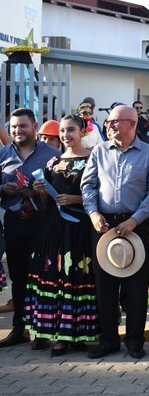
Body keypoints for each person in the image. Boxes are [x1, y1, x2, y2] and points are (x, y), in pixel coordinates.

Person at [81, 105, 149, 359]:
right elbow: (88, 185)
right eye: (109, 122)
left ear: (132, 123)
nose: (110, 126)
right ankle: (108, 340)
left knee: (136, 287)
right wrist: (93, 212)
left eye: (115, 122)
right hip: (103, 224)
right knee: (105, 287)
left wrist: (135, 220)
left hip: (135, 224)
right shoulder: (99, 151)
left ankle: (135, 340)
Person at [25, 115, 98, 355]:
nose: (66, 135)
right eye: (63, 131)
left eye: (71, 130)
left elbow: (99, 194)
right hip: (53, 229)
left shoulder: (92, 159)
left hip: (80, 227)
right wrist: (40, 191)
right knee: (54, 275)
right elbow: (47, 201)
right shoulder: (52, 162)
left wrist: (75, 199)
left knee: (77, 276)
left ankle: (77, 333)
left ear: (82, 131)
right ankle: (55, 333)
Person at [0, 108, 61, 349]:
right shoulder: (3, 154)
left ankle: (43, 329)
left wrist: (42, 191)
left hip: (43, 223)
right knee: (18, 276)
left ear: (35, 127)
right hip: (15, 223)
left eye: (22, 126)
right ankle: (20, 328)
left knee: (44, 276)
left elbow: (64, 190)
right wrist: (4, 189)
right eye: (13, 127)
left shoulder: (53, 155)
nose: (17, 131)